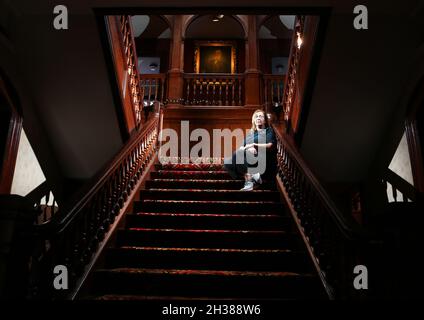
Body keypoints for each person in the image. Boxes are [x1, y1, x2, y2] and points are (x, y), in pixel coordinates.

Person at [224, 109, 277, 191]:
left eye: (261, 116)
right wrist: (248, 148)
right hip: (249, 159)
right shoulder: (251, 133)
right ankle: (251, 177)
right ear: (254, 120)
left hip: (261, 160)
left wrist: (254, 145)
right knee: (227, 162)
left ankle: (250, 180)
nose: (258, 118)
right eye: (256, 116)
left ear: (265, 121)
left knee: (237, 155)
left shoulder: (268, 131)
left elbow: (270, 145)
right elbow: (242, 147)